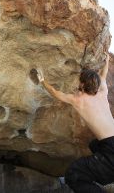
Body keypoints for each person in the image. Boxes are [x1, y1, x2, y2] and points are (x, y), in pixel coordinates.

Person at [36, 52, 114, 193]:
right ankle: (103, 173)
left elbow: (55, 92)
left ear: (82, 84)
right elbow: (104, 74)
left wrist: (42, 81)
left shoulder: (78, 100)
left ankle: (98, 178)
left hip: (110, 151)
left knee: (73, 174)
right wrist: (107, 60)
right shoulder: (102, 91)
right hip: (108, 145)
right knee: (94, 144)